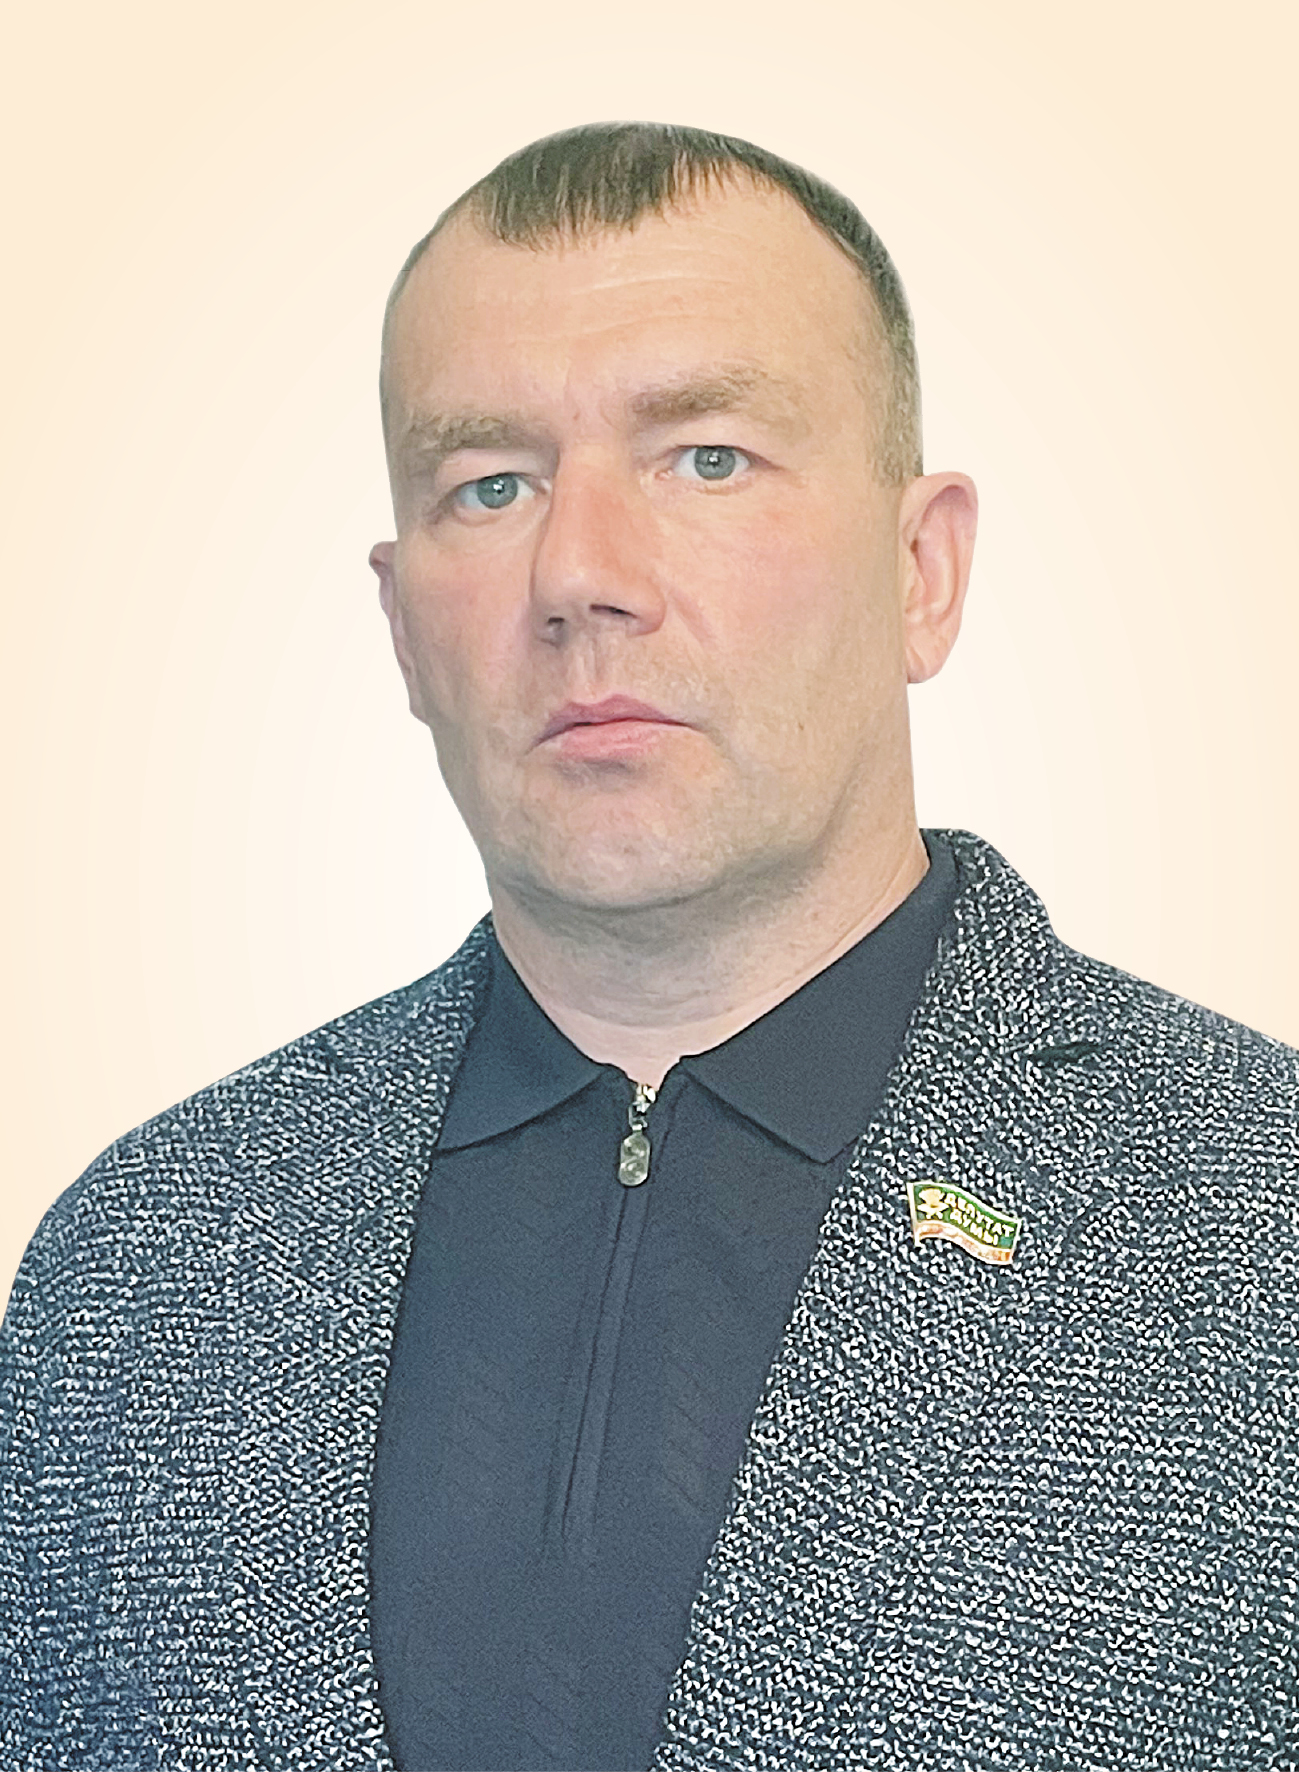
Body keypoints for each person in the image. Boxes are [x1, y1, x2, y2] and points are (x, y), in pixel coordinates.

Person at [2, 121, 1295, 1772]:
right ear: (402, 626)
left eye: (707, 459)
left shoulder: (1259, 1221)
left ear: (923, 570)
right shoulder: (136, 1275)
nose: (581, 575)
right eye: (491, 484)